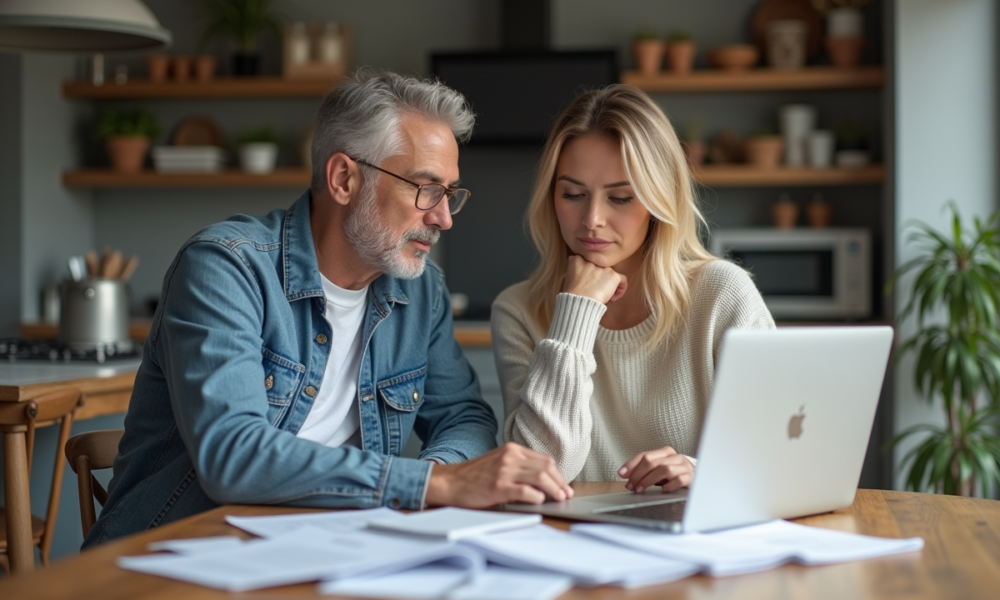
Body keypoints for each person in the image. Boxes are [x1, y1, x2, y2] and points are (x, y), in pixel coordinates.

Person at [86, 70, 572, 547]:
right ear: (343, 179)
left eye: (449, 194)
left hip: (319, 551)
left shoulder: (421, 291)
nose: (443, 218)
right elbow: (233, 454)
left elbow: (463, 415)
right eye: (425, 188)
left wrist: (436, 470)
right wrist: (431, 487)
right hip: (171, 559)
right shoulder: (226, 268)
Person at [491, 85, 775, 496]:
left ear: (660, 200)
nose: (592, 219)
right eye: (572, 194)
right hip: (573, 544)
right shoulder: (518, 310)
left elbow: (776, 451)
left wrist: (703, 470)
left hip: (697, 540)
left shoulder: (721, 294)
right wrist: (575, 315)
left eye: (620, 198)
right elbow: (544, 469)